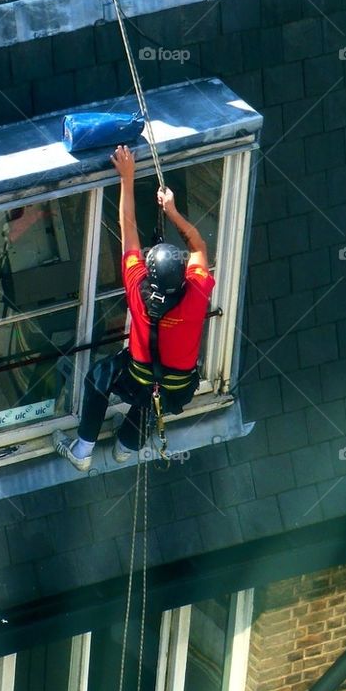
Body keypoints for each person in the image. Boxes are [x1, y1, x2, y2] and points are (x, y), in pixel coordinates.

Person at [54, 144, 215, 470]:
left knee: (101, 376)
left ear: (151, 273)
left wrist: (126, 177)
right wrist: (171, 211)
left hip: (138, 380)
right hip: (175, 391)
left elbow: (127, 230)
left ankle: (83, 450)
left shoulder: (138, 287)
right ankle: (126, 446)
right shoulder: (196, 293)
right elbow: (198, 244)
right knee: (151, 397)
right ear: (181, 277)